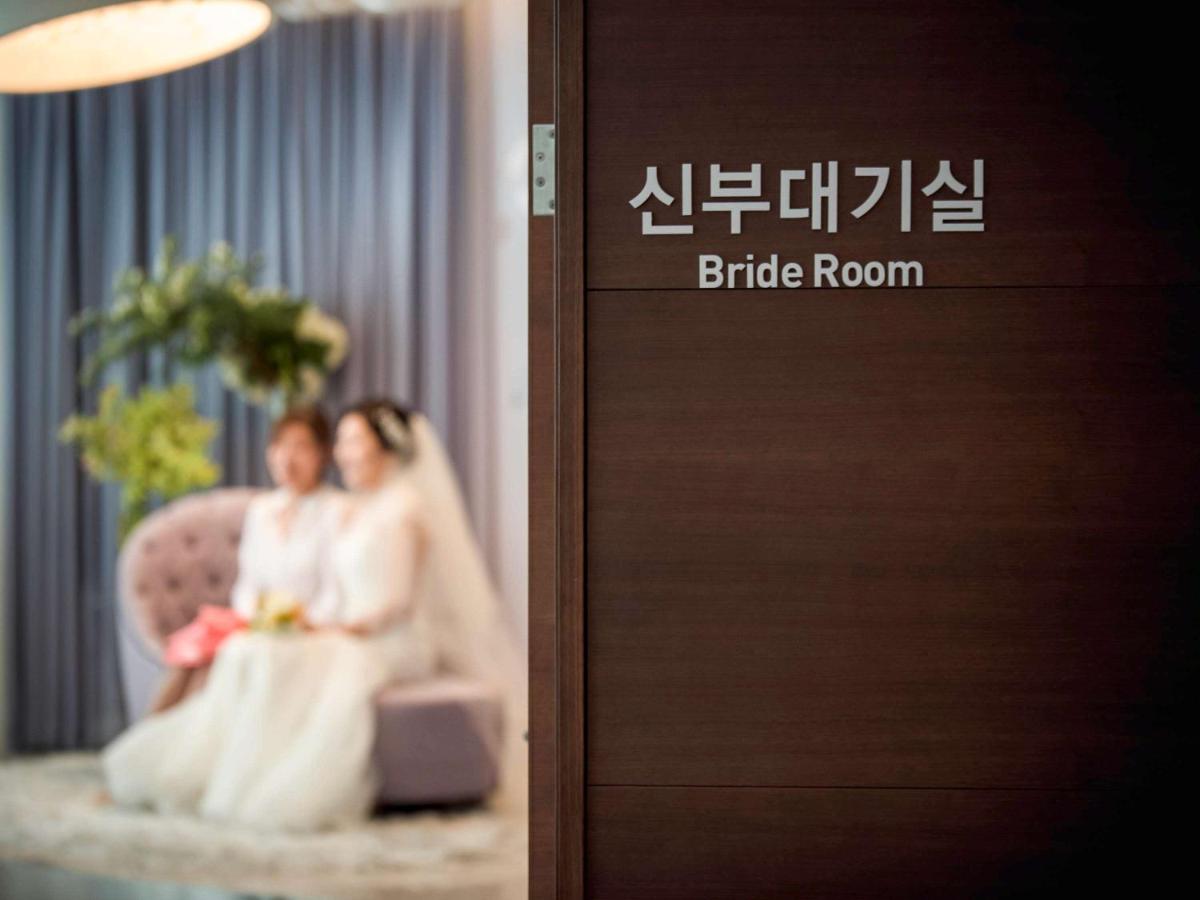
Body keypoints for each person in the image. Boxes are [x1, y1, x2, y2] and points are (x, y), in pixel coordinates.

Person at [102, 399, 527, 831]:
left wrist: (329, 626)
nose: (343, 453)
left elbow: (396, 602)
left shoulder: (400, 508)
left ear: (383, 447)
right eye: (341, 441)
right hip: (337, 630)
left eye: (352, 441)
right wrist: (276, 620)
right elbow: (304, 585)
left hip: (385, 636)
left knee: (278, 660)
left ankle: (265, 781)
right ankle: (214, 768)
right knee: (243, 653)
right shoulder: (358, 507)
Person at [148, 406, 341, 713]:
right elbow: (247, 584)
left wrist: (301, 621)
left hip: (309, 633)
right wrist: (254, 619)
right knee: (195, 656)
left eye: (301, 446)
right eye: (280, 446)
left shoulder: (337, 511)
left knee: (229, 656)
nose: (288, 458)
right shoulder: (261, 510)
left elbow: (336, 588)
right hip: (257, 627)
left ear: (322, 454)